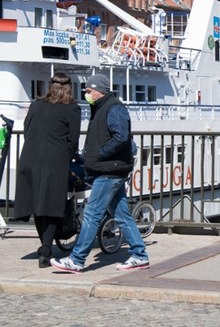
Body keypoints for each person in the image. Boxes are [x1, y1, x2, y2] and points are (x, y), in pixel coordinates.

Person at [52, 74, 149, 273]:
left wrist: (99, 154)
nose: (86, 94)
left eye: (88, 91)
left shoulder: (113, 108)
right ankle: (140, 255)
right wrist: (87, 157)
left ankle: (77, 259)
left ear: (99, 90)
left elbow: (121, 137)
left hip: (109, 170)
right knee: (122, 215)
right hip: (108, 169)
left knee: (92, 214)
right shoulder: (103, 107)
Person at [14, 73, 81, 268]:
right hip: (55, 161)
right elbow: (73, 140)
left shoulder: (36, 105)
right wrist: (66, 157)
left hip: (30, 158)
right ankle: (46, 250)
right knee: (52, 206)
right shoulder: (72, 109)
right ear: (69, 88)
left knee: (37, 205)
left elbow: (27, 129)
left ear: (50, 86)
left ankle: (45, 247)